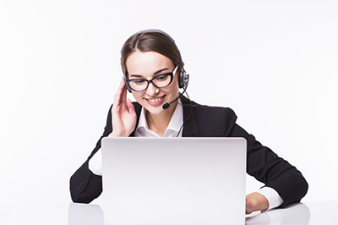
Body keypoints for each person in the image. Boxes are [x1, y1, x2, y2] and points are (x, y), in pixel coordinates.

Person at [69, 29, 308, 214]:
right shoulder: (122, 121)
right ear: (127, 83)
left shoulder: (216, 122)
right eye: (139, 81)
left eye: (161, 77)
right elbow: (79, 194)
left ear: (181, 74)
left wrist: (250, 202)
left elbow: (293, 180)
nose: (151, 91)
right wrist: (114, 141)